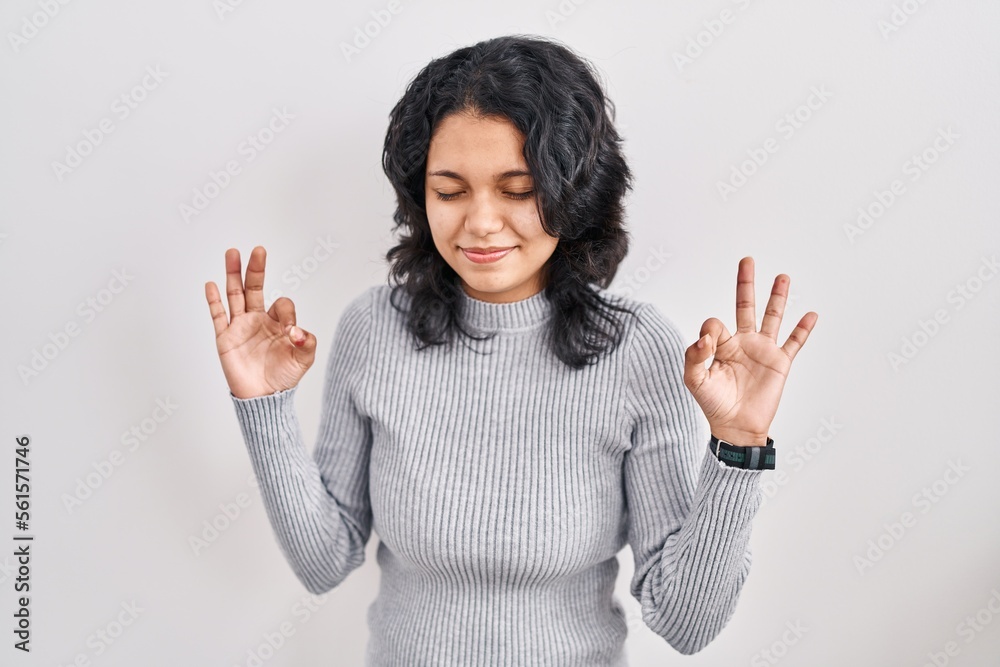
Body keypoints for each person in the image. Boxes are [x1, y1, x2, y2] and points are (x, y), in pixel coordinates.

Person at [203, 34, 817, 666]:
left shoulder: (637, 348)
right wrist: (265, 405)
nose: (481, 222)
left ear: (573, 191)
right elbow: (323, 562)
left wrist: (739, 446)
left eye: (518, 190)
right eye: (449, 191)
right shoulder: (372, 330)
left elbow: (685, 622)